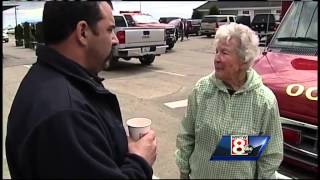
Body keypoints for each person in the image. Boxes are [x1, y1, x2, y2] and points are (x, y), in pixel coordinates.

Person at [5, 1, 157, 179]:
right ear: (83, 32)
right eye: (109, 30)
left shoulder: (48, 79)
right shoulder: (66, 114)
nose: (115, 39)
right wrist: (140, 161)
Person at [175, 22, 283, 179]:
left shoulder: (264, 101)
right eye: (216, 51)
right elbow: (186, 135)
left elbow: (270, 154)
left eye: (224, 53)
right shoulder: (202, 89)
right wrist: (184, 171)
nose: (217, 58)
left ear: (243, 60)